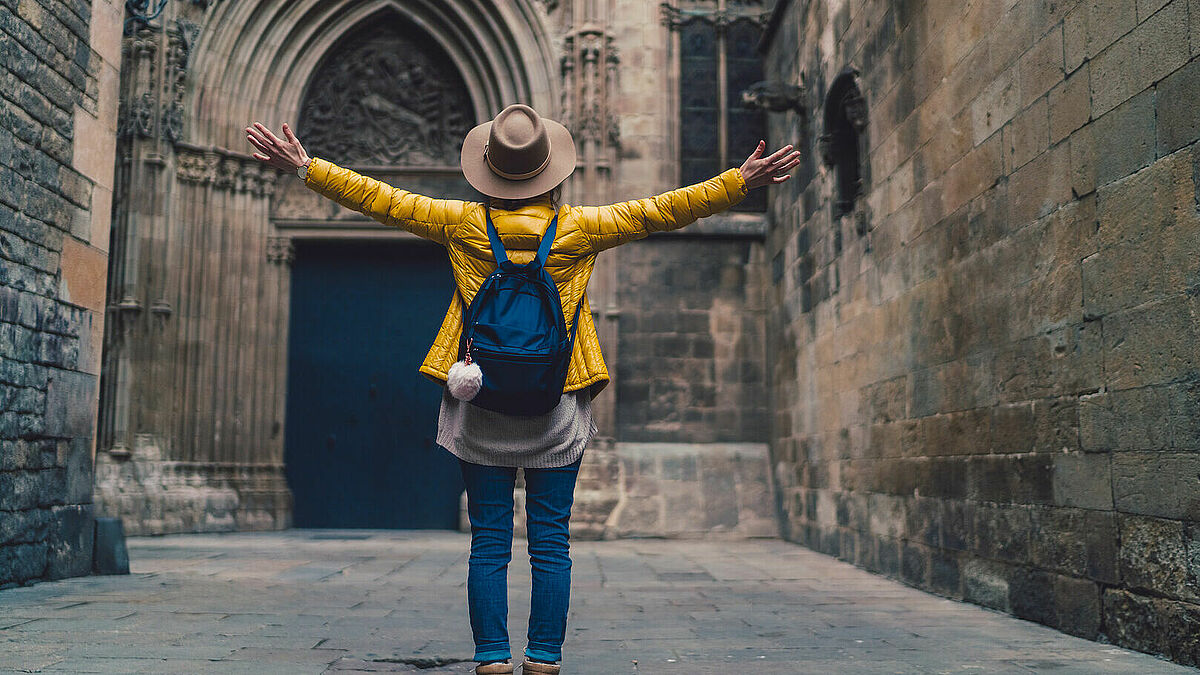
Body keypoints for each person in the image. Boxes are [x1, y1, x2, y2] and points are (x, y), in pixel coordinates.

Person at [246, 105, 800, 675]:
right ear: (549, 172)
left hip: (479, 395)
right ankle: (543, 658)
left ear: (488, 170)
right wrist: (738, 182)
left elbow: (381, 198)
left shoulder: (459, 222)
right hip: (555, 399)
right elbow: (662, 211)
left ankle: (491, 658)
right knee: (551, 542)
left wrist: (306, 166)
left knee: (489, 540)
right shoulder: (581, 227)